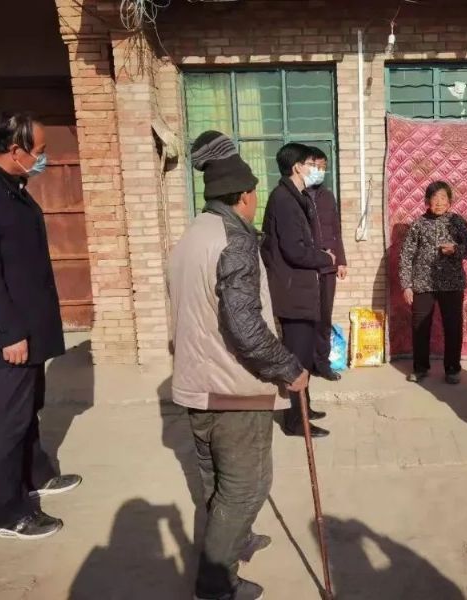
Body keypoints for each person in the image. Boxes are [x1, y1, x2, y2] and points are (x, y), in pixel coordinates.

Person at [168, 130, 309, 600]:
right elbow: (244, 326)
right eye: (254, 194)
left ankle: (236, 539)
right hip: (232, 389)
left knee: (217, 481)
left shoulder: (194, 233)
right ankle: (215, 585)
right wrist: (288, 367)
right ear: (245, 196)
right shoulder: (236, 240)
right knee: (246, 487)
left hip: (196, 384)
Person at [0, 113, 82, 541]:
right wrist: (7, 332)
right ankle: (9, 514)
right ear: (15, 150)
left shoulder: (10, 185)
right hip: (6, 335)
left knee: (28, 410)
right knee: (5, 424)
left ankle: (36, 475)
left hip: (27, 329)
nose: (43, 159)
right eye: (40, 151)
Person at [261, 142, 336, 438]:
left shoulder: (295, 197)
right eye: (311, 164)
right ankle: (295, 421)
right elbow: (294, 250)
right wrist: (324, 257)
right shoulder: (284, 199)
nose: (316, 169)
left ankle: (304, 407)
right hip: (293, 293)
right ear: (297, 167)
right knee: (297, 358)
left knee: (302, 355)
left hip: (300, 290)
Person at [399, 181, 467, 384]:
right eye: (435, 198)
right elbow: (406, 255)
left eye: (444, 198)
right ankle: (420, 368)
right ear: (427, 201)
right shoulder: (418, 224)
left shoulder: (457, 222)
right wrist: (406, 285)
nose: (439, 202)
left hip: (452, 283)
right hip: (423, 283)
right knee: (420, 327)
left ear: (450, 201)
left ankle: (452, 369)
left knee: (453, 327)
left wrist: (456, 250)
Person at [305, 146, 348, 381]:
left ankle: (322, 363)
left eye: (323, 167)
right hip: (305, 266)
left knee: (324, 315)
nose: (319, 171)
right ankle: (305, 362)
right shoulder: (297, 196)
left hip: (328, 266)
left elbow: (335, 230)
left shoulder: (327, 196)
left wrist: (341, 260)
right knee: (306, 316)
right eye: (315, 166)